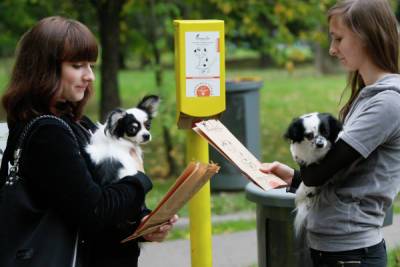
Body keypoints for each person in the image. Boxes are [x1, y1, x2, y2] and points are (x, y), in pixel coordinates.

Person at [0, 16, 177, 267]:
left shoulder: (78, 125)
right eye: (77, 65)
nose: (90, 76)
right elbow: (95, 211)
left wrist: (142, 224)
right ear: (44, 68)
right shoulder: (47, 134)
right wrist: (139, 179)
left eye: (91, 66)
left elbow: (100, 201)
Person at [261, 0, 400, 266]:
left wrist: (303, 171)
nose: (332, 49)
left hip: (352, 254)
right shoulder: (367, 97)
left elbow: (320, 173)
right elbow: (339, 176)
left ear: (367, 38)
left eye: (338, 38)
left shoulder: (387, 103)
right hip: (337, 250)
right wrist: (292, 177)